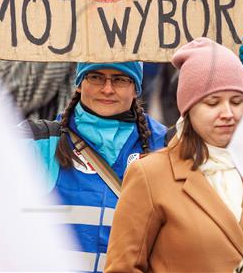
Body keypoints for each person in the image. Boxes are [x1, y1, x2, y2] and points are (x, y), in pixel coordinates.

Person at [104, 38, 243, 273]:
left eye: (237, 101)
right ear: (188, 109)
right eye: (213, 103)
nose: (228, 113)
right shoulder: (150, 174)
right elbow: (123, 268)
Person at [23, 61, 167, 273]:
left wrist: (234, 89)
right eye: (96, 77)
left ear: (136, 88)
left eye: (120, 79)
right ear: (79, 83)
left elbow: (220, 152)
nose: (107, 89)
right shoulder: (40, 141)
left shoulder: (166, 145)